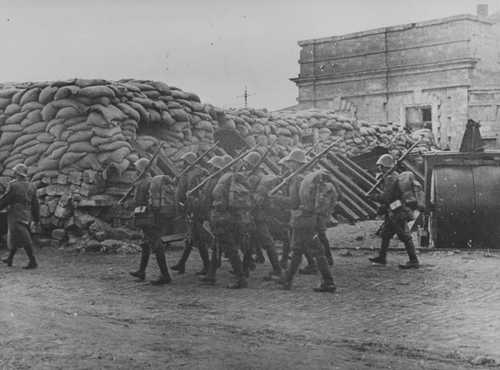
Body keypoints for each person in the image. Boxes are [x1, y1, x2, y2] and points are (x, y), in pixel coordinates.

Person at [273, 151, 337, 292]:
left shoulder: (296, 179)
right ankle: (287, 280)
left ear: (296, 163)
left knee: (317, 252)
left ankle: (328, 282)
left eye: (290, 162)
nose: (288, 164)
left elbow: (293, 202)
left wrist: (275, 198)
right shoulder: (309, 177)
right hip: (308, 218)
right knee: (297, 250)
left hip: (301, 219)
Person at [368, 154, 419, 269]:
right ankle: (382, 257)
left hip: (397, 210)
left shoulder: (391, 178)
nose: (379, 169)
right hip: (392, 210)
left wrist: (374, 197)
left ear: (385, 166)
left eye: (381, 166)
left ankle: (414, 260)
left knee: (405, 236)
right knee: (386, 234)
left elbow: (386, 197)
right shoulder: (389, 177)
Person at [208, 155, 251, 289]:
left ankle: (241, 278)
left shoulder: (222, 180)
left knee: (230, 249)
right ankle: (211, 274)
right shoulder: (235, 178)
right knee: (219, 246)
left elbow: (218, 200)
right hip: (234, 217)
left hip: (222, 218)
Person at [129, 158, 173, 285]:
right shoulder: (152, 181)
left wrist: (127, 204)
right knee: (146, 243)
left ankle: (165, 275)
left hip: (146, 218)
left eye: (137, 169)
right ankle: (141, 271)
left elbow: (137, 201)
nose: (136, 171)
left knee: (156, 246)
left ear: (140, 170)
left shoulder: (142, 183)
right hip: (155, 216)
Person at [243, 151, 282, 280]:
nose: (245, 165)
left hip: (256, 214)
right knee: (248, 241)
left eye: (247, 163)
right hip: (254, 214)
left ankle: (277, 270)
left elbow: (255, 198)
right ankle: (245, 268)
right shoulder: (255, 176)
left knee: (267, 242)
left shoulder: (257, 178)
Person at [171, 152, 210, 275]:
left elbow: (197, 193)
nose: (182, 164)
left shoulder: (196, 174)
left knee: (198, 239)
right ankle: (182, 264)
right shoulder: (186, 173)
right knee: (190, 238)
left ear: (189, 162)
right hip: (189, 209)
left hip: (195, 210)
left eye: (184, 161)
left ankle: (208, 266)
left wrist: (191, 207)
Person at [1, 163, 39, 269]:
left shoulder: (13, 185)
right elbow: (35, 204)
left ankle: (33, 262)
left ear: (17, 173)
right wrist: (36, 218)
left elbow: (6, 199)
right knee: (15, 235)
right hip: (27, 214)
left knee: (24, 237)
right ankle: (10, 258)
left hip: (15, 214)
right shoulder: (32, 185)